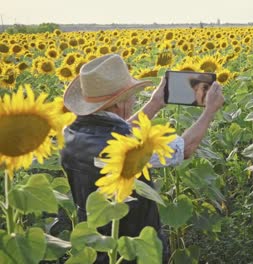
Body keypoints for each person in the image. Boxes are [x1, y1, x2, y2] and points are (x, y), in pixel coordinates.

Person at [59, 54, 224, 263]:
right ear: (119, 104)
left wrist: (155, 103)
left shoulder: (70, 132)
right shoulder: (126, 149)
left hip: (97, 242)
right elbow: (183, 149)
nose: (135, 99)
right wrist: (209, 111)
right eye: (132, 96)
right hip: (131, 244)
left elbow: (118, 132)